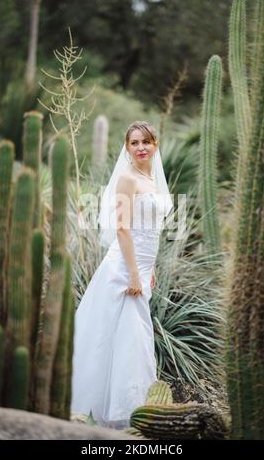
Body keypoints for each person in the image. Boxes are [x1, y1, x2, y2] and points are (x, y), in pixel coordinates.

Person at [70, 121, 173, 430]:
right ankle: (120, 411)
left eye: (146, 141)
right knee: (129, 333)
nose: (141, 147)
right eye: (134, 143)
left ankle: (133, 407)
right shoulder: (127, 179)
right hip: (124, 268)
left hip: (142, 264)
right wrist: (132, 274)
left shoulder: (151, 178)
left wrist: (149, 266)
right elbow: (123, 228)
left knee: (133, 334)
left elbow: (150, 229)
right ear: (127, 148)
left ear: (155, 145)